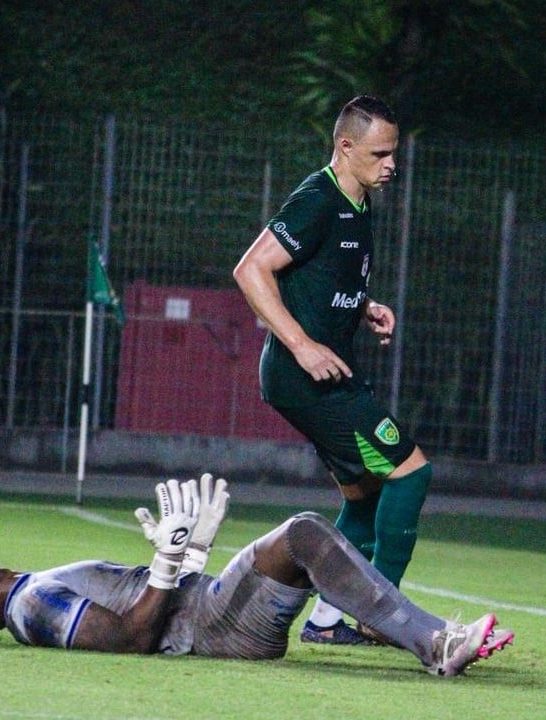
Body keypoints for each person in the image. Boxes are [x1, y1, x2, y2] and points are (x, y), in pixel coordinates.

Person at [0, 475, 513, 678]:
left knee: (307, 538)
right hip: (214, 627)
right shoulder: (29, 606)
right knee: (303, 534)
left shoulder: (31, 588)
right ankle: (435, 643)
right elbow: (131, 639)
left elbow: (150, 610)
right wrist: (168, 563)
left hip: (206, 612)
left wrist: (190, 556)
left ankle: (402, 629)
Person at [233, 95, 433, 645]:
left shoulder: (358, 202)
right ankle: (383, 614)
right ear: (345, 147)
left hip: (325, 376)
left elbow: (319, 274)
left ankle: (324, 621)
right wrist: (301, 345)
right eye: (379, 154)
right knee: (411, 473)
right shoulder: (318, 199)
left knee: (364, 497)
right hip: (309, 380)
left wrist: (363, 305)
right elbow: (251, 270)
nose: (391, 165)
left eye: (393, 153)